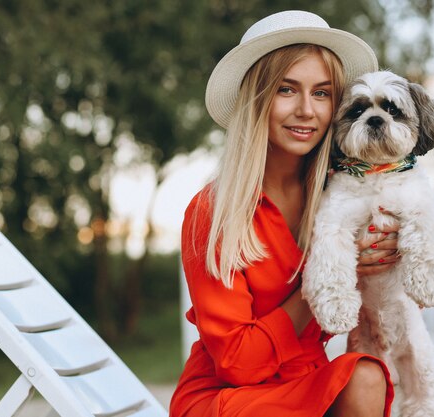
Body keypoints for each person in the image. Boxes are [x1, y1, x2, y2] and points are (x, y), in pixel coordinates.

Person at [169, 10, 400, 417]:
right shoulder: (214, 212)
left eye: (322, 93)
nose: (307, 110)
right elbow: (238, 364)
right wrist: (330, 274)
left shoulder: (337, 198)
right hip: (227, 397)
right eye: (287, 90)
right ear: (257, 99)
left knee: (367, 375)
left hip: (306, 383)